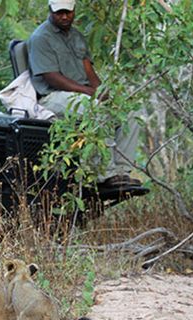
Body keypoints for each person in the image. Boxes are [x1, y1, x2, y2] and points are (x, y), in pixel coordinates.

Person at [28, 0, 142, 188]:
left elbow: (88, 71)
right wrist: (89, 92)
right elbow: (51, 77)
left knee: (128, 112)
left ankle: (122, 171)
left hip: (81, 95)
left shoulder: (77, 36)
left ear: (74, 10)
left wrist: (104, 92)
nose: (64, 16)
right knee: (95, 110)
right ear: (50, 10)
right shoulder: (41, 37)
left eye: (68, 12)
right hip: (53, 97)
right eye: (59, 12)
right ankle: (103, 174)